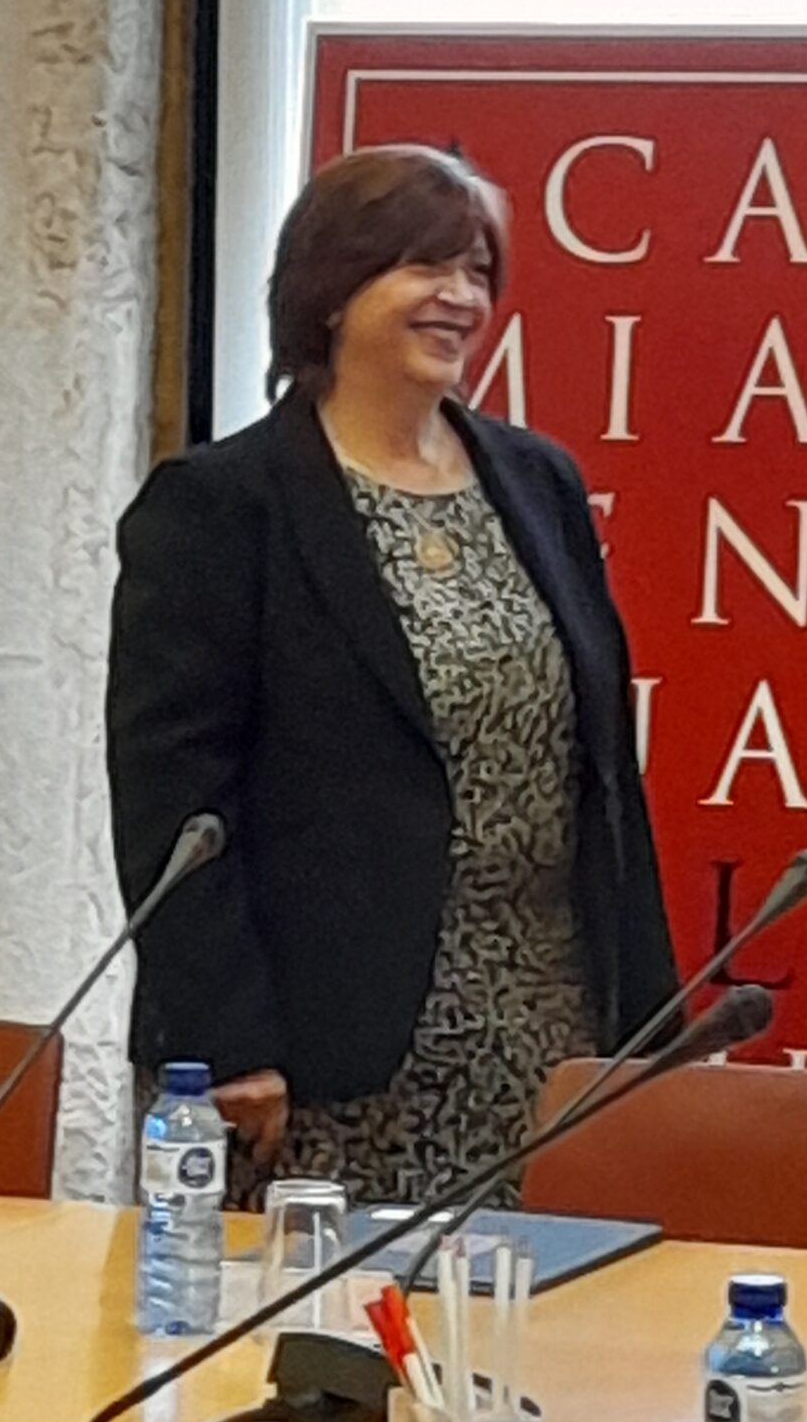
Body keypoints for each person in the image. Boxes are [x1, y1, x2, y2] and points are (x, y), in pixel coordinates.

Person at [107, 144, 678, 1207]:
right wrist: (222, 1039)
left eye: (477, 271)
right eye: (424, 265)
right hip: (318, 1057)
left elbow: (604, 773)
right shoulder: (222, 505)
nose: (460, 296)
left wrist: (650, 1023)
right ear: (332, 288)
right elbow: (171, 803)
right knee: (334, 1315)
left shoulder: (538, 481)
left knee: (540, 1305)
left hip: (545, 1029)